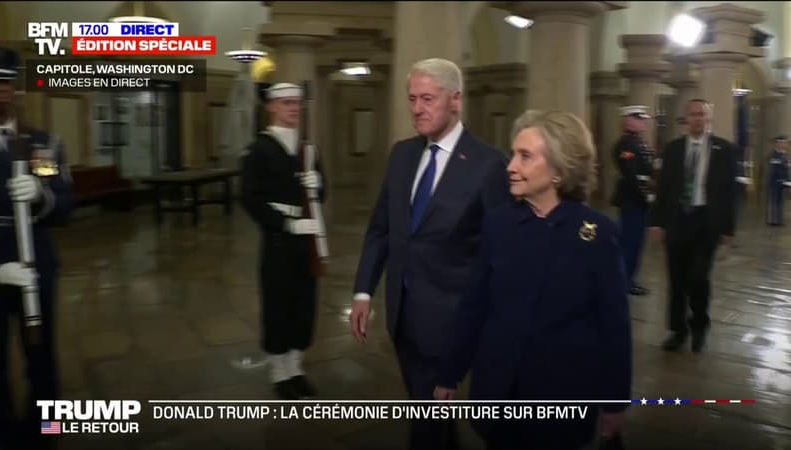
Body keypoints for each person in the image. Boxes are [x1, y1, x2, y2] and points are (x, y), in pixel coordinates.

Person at [434, 110, 632, 450]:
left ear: (559, 169)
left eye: (525, 156)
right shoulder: (499, 224)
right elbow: (474, 306)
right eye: (513, 154)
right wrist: (449, 373)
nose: (511, 166)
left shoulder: (598, 234)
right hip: (498, 392)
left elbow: (614, 327)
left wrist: (613, 402)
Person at [349, 58, 509, 449]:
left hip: (450, 321)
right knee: (428, 410)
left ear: (455, 100)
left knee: (426, 417)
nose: (417, 109)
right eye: (412, 99)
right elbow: (381, 229)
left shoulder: (489, 165)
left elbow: (500, 253)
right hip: (401, 313)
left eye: (427, 99)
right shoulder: (402, 155)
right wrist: (364, 291)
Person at [0, 47, 73, 449]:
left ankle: (47, 434)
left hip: (36, 263)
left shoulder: (41, 144)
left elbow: (65, 205)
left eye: (7, 82)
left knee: (42, 358)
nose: (1, 90)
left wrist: (41, 195)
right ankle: (5, 436)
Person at [240, 82, 327, 400]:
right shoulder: (259, 149)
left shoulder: (309, 150)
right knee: (278, 304)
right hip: (279, 239)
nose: (294, 108)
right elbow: (250, 199)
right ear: (272, 107)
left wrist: (318, 184)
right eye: (287, 103)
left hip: (306, 241)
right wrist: (286, 224)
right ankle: (279, 372)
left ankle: (297, 369)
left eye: (297, 103)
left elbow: (323, 193)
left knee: (304, 304)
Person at [649, 98, 738, 353]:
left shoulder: (724, 149)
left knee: (698, 277)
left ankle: (699, 324)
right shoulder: (673, 149)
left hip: (706, 221)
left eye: (702, 114)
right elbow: (663, 188)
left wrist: (728, 229)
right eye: (693, 114)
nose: (698, 118)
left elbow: (730, 193)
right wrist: (656, 222)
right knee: (676, 280)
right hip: (678, 220)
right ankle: (677, 330)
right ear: (686, 118)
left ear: (709, 118)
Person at [611, 105, 653, 296]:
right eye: (638, 118)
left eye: (643, 118)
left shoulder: (638, 142)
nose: (643, 121)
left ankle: (629, 279)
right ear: (627, 120)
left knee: (636, 243)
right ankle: (624, 281)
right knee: (629, 242)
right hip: (632, 199)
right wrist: (647, 194)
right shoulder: (626, 144)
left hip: (639, 201)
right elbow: (631, 174)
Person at [766, 135, 789, 226]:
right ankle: (773, 220)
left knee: (780, 202)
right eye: (781, 142)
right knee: (774, 201)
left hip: (782, 182)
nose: (783, 144)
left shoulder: (784, 155)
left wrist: (786, 181)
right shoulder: (773, 154)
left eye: (784, 143)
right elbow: (774, 168)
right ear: (777, 143)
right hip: (774, 182)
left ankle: (779, 220)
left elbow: (786, 169)